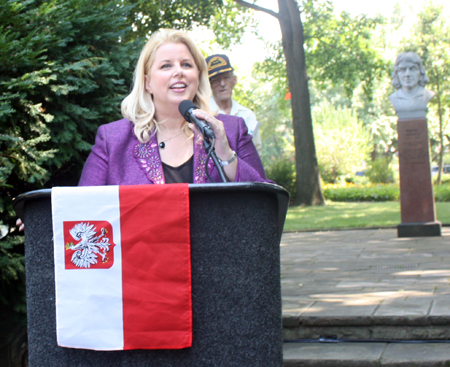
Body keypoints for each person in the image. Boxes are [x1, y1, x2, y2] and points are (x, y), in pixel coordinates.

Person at [78, 29, 268, 186]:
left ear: (198, 76)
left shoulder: (232, 130)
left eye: (186, 64)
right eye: (166, 66)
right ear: (147, 83)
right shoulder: (112, 139)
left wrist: (226, 155)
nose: (179, 72)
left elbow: (266, 204)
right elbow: (82, 212)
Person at [205, 54, 262, 155]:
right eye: (216, 80)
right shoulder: (204, 114)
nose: (222, 83)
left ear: (234, 80)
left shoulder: (248, 116)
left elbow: (256, 152)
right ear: (209, 85)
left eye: (226, 77)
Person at [389, 52, 434, 119]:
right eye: (402, 70)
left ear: (420, 72)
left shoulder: (427, 95)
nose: (407, 74)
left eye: (412, 69)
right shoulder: (394, 97)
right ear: (396, 74)